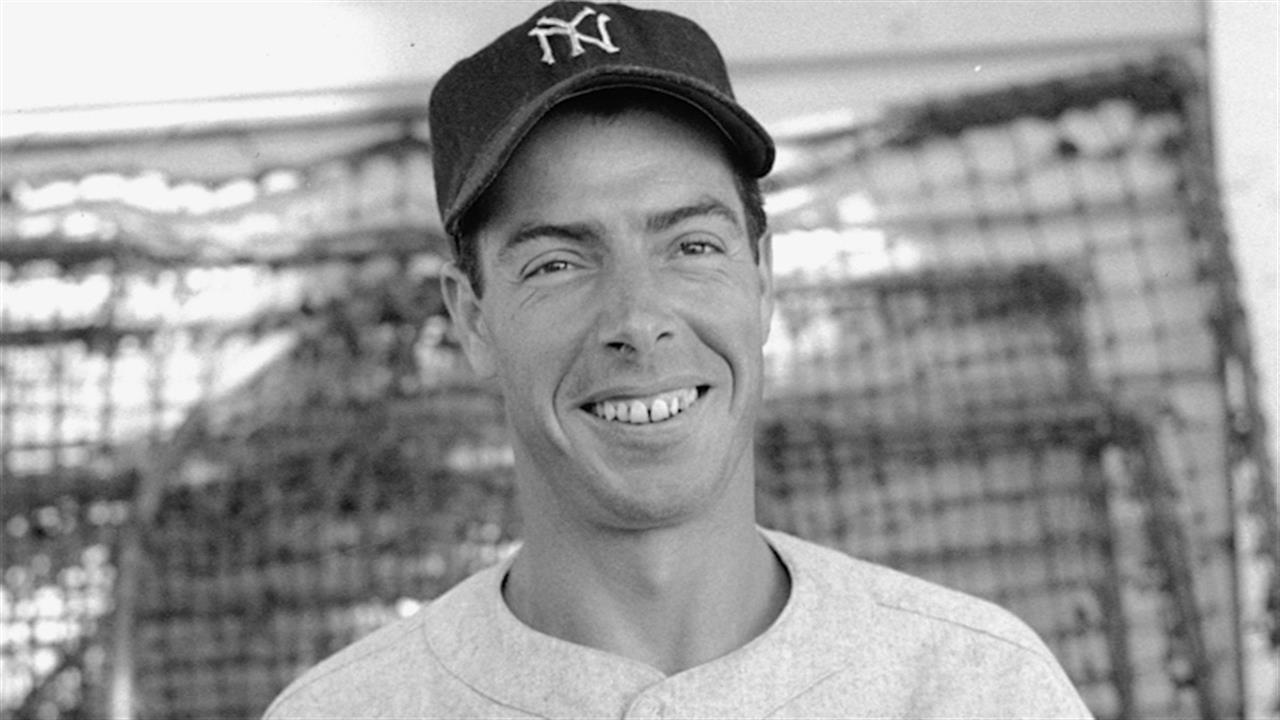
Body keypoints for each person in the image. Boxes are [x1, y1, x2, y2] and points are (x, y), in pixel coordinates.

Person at [264, 2, 1093, 717]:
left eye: (692, 245)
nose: (638, 319)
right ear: (472, 318)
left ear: (762, 280)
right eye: (557, 262)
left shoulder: (979, 687)